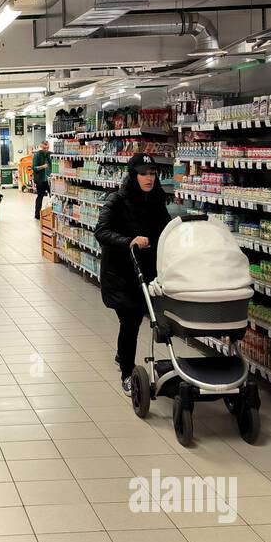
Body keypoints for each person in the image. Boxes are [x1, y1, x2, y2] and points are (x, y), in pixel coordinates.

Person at [94, 152, 171, 396]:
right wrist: (130, 241)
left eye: (152, 173)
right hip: (120, 273)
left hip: (147, 272)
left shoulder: (157, 202)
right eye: (143, 174)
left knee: (140, 319)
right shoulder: (116, 200)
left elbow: (166, 231)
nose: (149, 178)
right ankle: (127, 372)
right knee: (131, 321)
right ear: (133, 175)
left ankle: (121, 354)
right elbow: (101, 232)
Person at [32, 141, 51, 219]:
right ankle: (37, 215)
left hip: (50, 180)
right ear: (41, 147)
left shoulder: (51, 154)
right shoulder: (37, 155)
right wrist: (42, 166)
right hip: (40, 180)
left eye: (47, 148)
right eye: (44, 148)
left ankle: (53, 213)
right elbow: (34, 168)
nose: (46, 149)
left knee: (53, 197)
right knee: (40, 196)